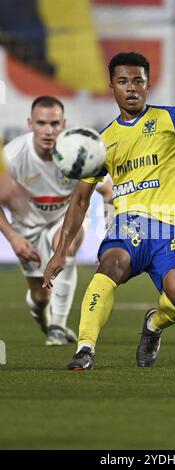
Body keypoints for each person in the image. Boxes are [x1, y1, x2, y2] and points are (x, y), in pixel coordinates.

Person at [43, 52, 175, 370]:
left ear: (148, 84)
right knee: (111, 263)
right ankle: (85, 348)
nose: (131, 87)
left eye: (138, 80)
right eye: (123, 81)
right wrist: (61, 252)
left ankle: (154, 325)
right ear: (112, 86)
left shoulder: (171, 118)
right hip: (131, 224)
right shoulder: (102, 142)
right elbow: (80, 200)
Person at [1, 96, 91, 346]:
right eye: (41, 123)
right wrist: (13, 238)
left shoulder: (76, 154)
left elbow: (103, 187)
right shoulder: (12, 156)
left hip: (63, 217)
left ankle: (58, 327)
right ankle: (46, 321)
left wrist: (112, 205)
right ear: (30, 123)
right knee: (41, 297)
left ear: (64, 124)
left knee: (67, 244)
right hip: (26, 227)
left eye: (54, 123)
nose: (48, 130)